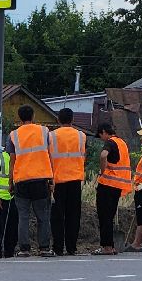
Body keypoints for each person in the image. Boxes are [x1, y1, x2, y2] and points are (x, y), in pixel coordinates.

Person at [8, 104, 55, 255]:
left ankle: (24, 249)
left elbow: (12, 160)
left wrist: (11, 181)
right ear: (33, 116)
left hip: (22, 180)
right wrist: (52, 179)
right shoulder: (44, 131)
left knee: (23, 216)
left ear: (19, 118)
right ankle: (44, 248)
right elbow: (50, 155)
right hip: (41, 179)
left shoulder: (13, 135)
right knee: (43, 215)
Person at [49, 108, 88, 256]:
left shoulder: (51, 136)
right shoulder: (81, 136)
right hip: (75, 179)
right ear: (72, 120)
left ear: (58, 120)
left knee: (57, 215)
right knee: (73, 215)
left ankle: (58, 247)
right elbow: (84, 155)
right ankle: (72, 247)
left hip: (57, 180)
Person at [93, 120, 132, 255]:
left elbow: (103, 155)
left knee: (104, 216)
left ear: (104, 132)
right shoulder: (122, 143)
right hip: (118, 186)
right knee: (109, 215)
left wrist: (102, 171)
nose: (101, 139)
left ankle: (107, 247)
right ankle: (111, 246)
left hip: (107, 184)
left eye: (100, 135)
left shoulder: (110, 142)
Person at [0, 140, 18, 259]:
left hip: (15, 199)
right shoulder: (0, 158)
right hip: (1, 198)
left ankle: (9, 253)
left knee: (12, 228)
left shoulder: (21, 158)